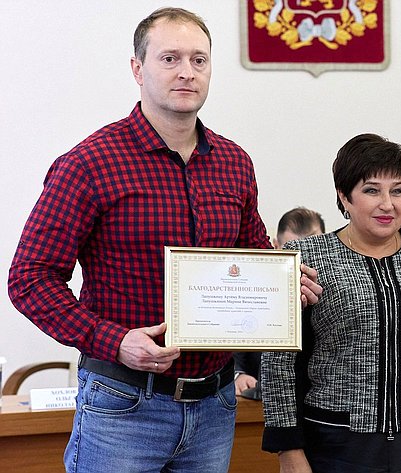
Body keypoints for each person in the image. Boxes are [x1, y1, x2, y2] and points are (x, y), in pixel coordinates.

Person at [7, 8, 321, 473]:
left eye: (199, 60)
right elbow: (29, 279)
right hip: (123, 404)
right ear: (137, 68)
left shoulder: (234, 162)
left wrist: (285, 285)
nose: (186, 72)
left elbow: (256, 258)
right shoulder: (90, 163)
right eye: (170, 58)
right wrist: (113, 341)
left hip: (215, 404)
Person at [261, 133, 401, 473]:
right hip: (336, 442)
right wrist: (288, 450)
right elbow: (279, 361)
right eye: (371, 190)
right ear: (344, 197)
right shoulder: (306, 256)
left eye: (397, 190)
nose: (387, 204)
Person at [234, 207, 326, 395]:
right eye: (295, 253)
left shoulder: (340, 288)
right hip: (262, 399)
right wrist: (238, 375)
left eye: (312, 251)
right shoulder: (253, 290)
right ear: (276, 246)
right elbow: (231, 340)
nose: (304, 263)